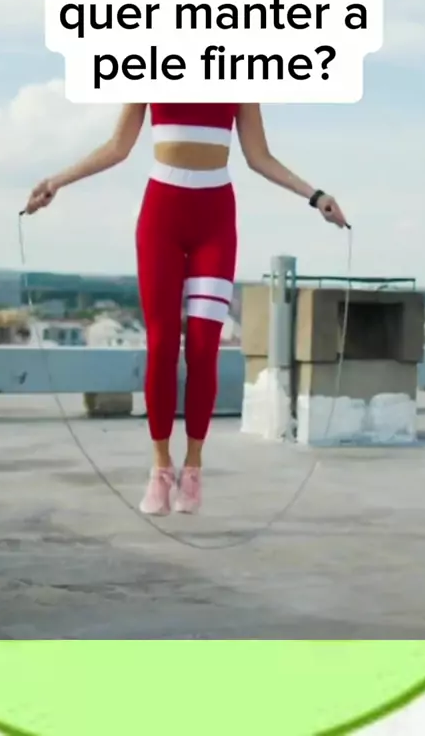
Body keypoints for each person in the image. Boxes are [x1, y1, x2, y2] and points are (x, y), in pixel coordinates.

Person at [24, 103, 347, 516]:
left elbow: (259, 157)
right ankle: (160, 468)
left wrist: (316, 197)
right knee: (161, 346)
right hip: (161, 218)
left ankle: (193, 467)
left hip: (215, 224)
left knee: (202, 349)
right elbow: (118, 146)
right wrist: (56, 181)